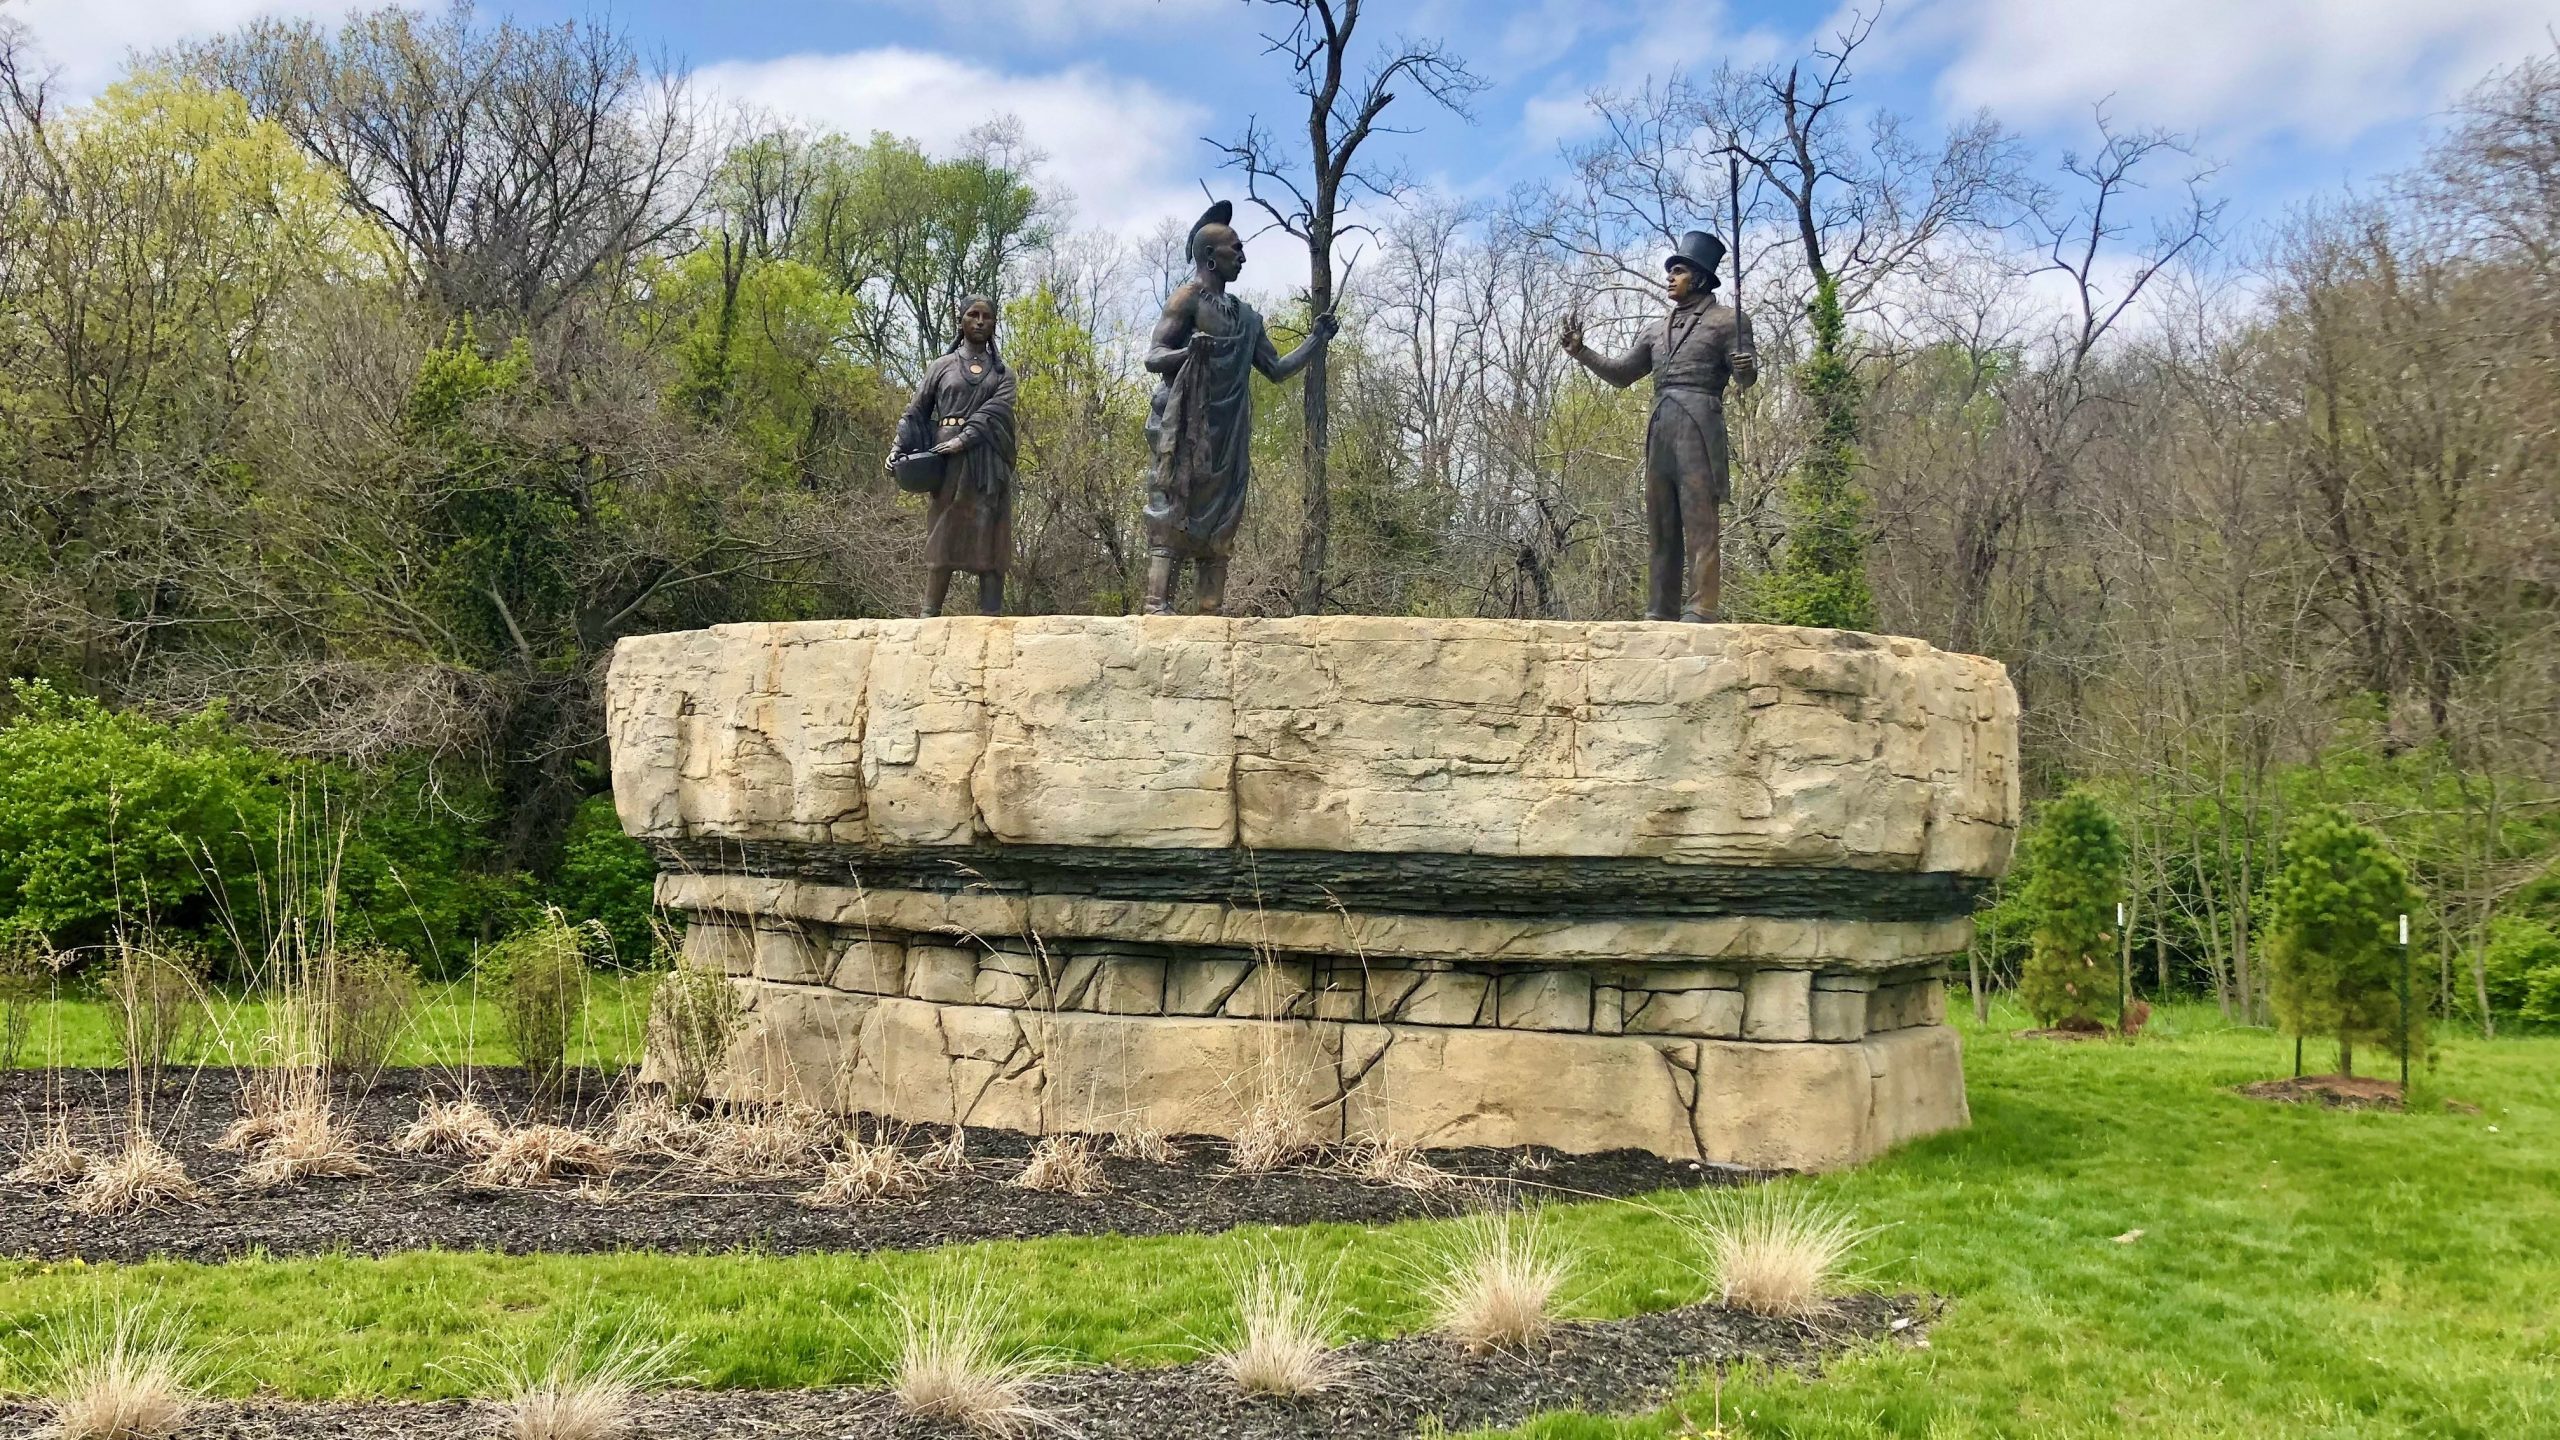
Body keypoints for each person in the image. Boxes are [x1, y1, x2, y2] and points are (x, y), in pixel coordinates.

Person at [1140, 199, 1338, 615]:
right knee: (1175, 505)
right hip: (1188, 428)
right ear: (1210, 256)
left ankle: (1209, 611)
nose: (1244, 257)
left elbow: (1277, 368)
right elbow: (1155, 356)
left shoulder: (1248, 318)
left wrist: (1317, 338)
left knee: (1223, 516)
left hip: (1229, 432)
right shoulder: (1187, 299)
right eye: (1236, 249)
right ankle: (1156, 605)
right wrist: (1190, 352)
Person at [1561, 230, 1757, 622]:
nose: (1670, 277)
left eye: (1679, 271)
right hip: (1661, 426)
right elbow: (1622, 374)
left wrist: (1745, 368)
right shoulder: (1654, 330)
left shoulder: (1727, 321)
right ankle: (1660, 608)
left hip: (1700, 422)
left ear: (1699, 278)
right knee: (1661, 522)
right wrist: (1581, 352)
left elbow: (1746, 377)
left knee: (1700, 520)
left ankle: (1702, 607)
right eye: (1670, 271)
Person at [891, 295, 1018, 617]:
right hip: (945, 460)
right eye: (972, 315)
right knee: (943, 529)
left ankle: (991, 615)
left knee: (991, 531)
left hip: (988, 461)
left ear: (993, 324)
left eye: (986, 316)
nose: (979, 321)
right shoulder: (941, 367)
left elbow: (997, 410)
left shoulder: (1004, 375)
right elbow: (916, 412)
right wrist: (897, 447)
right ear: (960, 321)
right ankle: (929, 613)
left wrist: (966, 439)